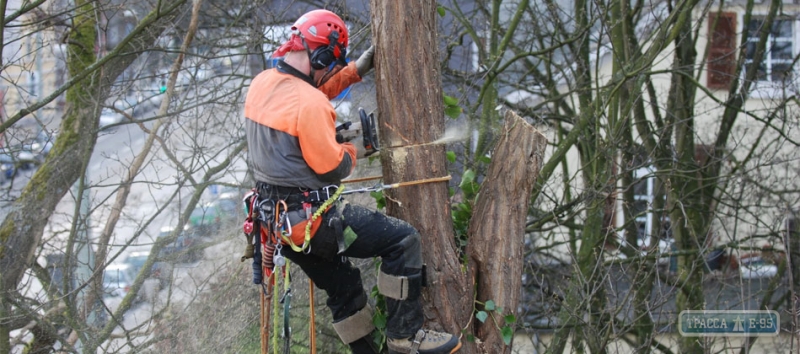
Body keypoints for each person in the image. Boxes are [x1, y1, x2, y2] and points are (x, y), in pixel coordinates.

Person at [243, 8, 462, 354]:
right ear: (321, 54)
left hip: (278, 225)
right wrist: (353, 147)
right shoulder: (309, 103)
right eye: (331, 62)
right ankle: (405, 335)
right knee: (403, 241)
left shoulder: (263, 84)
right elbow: (334, 168)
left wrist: (355, 71)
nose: (331, 69)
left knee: (344, 286)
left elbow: (309, 93)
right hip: (314, 225)